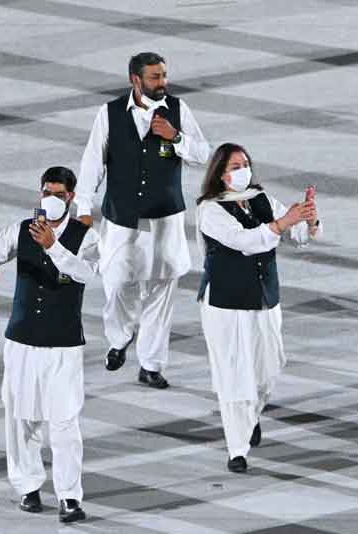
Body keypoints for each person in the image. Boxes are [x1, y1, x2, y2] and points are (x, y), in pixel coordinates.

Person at [0, 167, 99, 523]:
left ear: (70, 196)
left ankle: (70, 497)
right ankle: (27, 487)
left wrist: (53, 247)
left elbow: (86, 273)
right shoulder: (21, 229)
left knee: (64, 420)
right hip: (22, 339)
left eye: (57, 193)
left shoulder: (86, 236)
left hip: (62, 343)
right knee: (21, 416)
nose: (49, 199)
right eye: (45, 192)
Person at [75, 51, 211, 388]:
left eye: (164, 75)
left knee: (161, 291)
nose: (163, 83)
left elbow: (204, 154)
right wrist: (82, 205)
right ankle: (120, 338)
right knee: (117, 282)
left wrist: (175, 138)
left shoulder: (178, 110)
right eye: (155, 77)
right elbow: (93, 162)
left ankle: (151, 365)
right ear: (135, 80)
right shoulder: (109, 114)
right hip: (122, 219)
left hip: (166, 220)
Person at [196, 143, 321, 473]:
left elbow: (298, 234)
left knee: (269, 368)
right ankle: (237, 448)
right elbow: (245, 242)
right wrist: (283, 223)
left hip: (264, 297)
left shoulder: (261, 199)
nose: (242, 170)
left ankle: (251, 416)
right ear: (221, 174)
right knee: (234, 375)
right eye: (236, 166)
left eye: (246, 164)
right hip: (226, 303)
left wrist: (308, 218)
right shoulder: (210, 210)